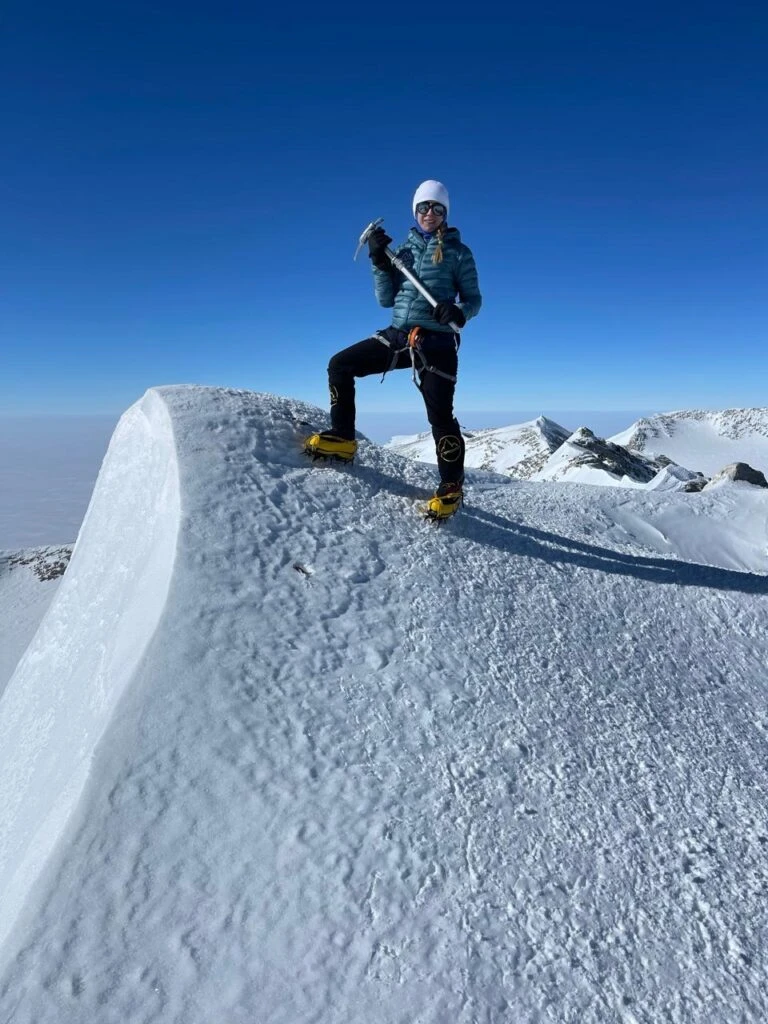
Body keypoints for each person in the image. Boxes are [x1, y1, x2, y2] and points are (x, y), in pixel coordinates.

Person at [305, 180, 482, 518]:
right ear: (415, 211)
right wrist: (378, 262)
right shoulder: (402, 252)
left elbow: (474, 299)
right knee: (340, 365)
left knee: (440, 417)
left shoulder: (460, 253)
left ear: (445, 213)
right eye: (424, 207)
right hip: (399, 335)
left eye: (437, 207)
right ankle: (342, 437)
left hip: (438, 342)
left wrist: (459, 311)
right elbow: (386, 300)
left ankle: (451, 486)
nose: (430, 213)